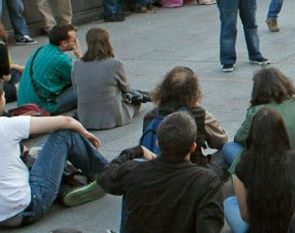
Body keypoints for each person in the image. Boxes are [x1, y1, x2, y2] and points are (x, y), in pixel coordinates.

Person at [0, 79, 110, 228]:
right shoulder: (4, 126)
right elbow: (66, 122)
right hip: (25, 209)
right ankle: (106, 173)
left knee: (39, 152)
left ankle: (65, 190)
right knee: (64, 135)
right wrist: (85, 133)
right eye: (3, 96)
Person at [96, 111, 224, 233]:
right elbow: (209, 227)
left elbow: (104, 176)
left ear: (158, 143)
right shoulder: (207, 181)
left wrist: (133, 152)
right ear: (193, 147)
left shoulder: (133, 171)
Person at [224, 108, 295, 233]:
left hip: (258, 228)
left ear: (253, 134)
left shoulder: (242, 166)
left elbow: (246, 216)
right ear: (282, 131)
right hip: (292, 228)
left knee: (229, 203)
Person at [223, 67, 295, 178]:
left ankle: (229, 178)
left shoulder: (256, 113)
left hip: (269, 174)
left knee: (229, 147)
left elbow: (240, 139)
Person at [144, 66, 229, 169]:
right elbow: (221, 141)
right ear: (194, 91)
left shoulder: (151, 116)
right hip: (194, 174)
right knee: (229, 150)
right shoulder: (200, 115)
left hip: (156, 171)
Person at [71, 27, 139, 130]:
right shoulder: (115, 64)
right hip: (113, 118)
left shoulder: (76, 65)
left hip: (86, 119)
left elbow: (76, 92)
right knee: (136, 100)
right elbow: (126, 88)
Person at [17, 23, 80, 114]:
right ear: (64, 43)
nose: (76, 42)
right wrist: (80, 56)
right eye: (74, 40)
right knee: (88, 87)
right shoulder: (62, 59)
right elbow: (81, 80)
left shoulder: (40, 49)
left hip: (23, 104)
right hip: (43, 107)